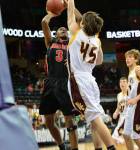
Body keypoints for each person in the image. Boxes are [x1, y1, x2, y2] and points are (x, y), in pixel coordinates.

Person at [66, 0, 116, 149]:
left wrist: (69, 3)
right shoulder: (97, 40)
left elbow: (70, 17)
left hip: (79, 80)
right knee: (94, 120)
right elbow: (100, 60)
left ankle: (111, 147)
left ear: (82, 24)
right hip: (91, 80)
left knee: (95, 119)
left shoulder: (76, 33)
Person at [39, 8, 82, 150]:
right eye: (60, 29)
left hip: (66, 82)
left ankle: (74, 147)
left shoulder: (72, 43)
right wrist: (52, 13)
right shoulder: (50, 43)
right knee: (48, 121)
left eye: (65, 29)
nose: (63, 30)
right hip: (50, 82)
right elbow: (44, 22)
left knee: (70, 119)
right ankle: (61, 145)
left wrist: (70, 6)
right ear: (55, 34)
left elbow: (81, 20)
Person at [123, 49, 140, 150]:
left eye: (130, 57)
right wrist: (128, 99)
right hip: (131, 107)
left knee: (136, 137)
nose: (127, 59)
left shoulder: (138, 69)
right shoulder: (130, 72)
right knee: (126, 135)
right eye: (126, 57)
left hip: (138, 106)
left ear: (136, 59)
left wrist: (136, 99)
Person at [112, 77, 128, 144]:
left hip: (128, 118)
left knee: (115, 139)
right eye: (121, 82)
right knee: (115, 139)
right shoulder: (119, 95)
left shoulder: (131, 93)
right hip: (121, 118)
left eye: (124, 81)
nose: (122, 83)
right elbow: (118, 107)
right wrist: (115, 113)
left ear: (128, 83)